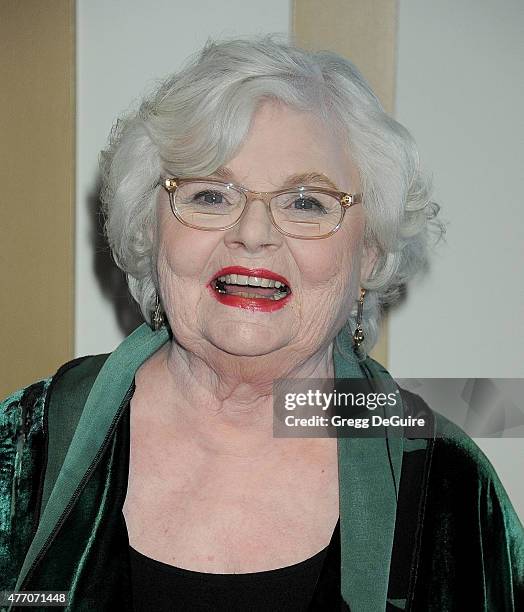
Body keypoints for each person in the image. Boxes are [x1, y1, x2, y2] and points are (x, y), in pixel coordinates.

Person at [1, 36, 523, 612]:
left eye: (306, 202)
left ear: (369, 253)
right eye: (210, 194)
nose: (253, 233)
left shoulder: (449, 485)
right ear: (151, 232)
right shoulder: (23, 447)